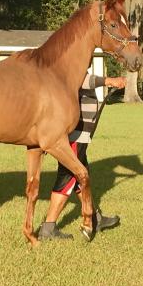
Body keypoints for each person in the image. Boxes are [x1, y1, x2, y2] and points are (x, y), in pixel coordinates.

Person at [38, 73, 126, 241]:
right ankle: (48, 227)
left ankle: (95, 218)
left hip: (80, 131)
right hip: (75, 132)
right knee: (69, 175)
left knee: (81, 175)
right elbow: (78, 78)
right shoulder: (72, 61)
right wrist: (108, 81)